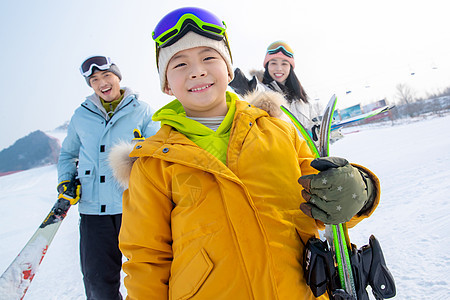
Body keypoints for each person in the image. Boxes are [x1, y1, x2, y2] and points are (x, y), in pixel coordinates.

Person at [114, 7, 380, 299]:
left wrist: (359, 189)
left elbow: (325, 202)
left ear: (229, 69)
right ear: (166, 84)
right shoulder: (153, 165)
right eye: (179, 64)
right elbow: (146, 259)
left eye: (209, 57)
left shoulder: (280, 132)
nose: (197, 70)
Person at [56, 55, 159, 299]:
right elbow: (68, 154)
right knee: (98, 285)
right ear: (90, 85)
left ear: (117, 77)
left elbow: (157, 154)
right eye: (94, 79)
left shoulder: (142, 111)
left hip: (134, 207)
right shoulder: (81, 116)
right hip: (94, 214)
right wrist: (66, 180)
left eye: (106, 75)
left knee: (150, 279)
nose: (102, 82)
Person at [229, 40, 319, 135]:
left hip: (305, 149)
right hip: (278, 147)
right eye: (273, 63)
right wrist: (247, 89)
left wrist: (316, 132)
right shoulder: (262, 90)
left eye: (284, 64)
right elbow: (257, 94)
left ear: (290, 67)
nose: (279, 68)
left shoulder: (302, 100)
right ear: (267, 66)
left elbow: (315, 129)